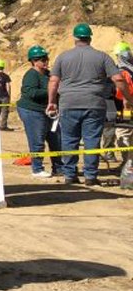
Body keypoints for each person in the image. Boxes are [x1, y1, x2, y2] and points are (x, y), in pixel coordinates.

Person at [47, 24, 133, 185]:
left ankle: (70, 175)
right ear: (90, 38)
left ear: (74, 38)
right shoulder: (102, 57)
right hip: (94, 104)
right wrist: (128, 98)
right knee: (92, 140)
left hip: (68, 104)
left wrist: (51, 102)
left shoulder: (63, 57)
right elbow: (118, 79)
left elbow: (53, 81)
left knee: (69, 140)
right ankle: (90, 176)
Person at [17, 46, 63, 178]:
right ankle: (37, 169)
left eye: (46, 59)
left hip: (48, 111)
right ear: (34, 61)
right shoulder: (31, 75)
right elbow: (31, 93)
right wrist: (51, 90)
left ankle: (58, 168)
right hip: (32, 111)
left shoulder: (48, 74)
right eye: (42, 59)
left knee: (56, 139)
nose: (45, 61)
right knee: (37, 140)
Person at [112, 42, 133, 188]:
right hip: (128, 108)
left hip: (126, 110)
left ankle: (128, 165)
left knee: (123, 136)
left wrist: (125, 113)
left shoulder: (124, 72)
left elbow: (124, 94)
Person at [0, 60, 12, 131]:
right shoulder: (6, 76)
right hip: (4, 96)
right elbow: (8, 86)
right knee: (5, 111)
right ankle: (3, 126)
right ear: (3, 67)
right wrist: (9, 95)